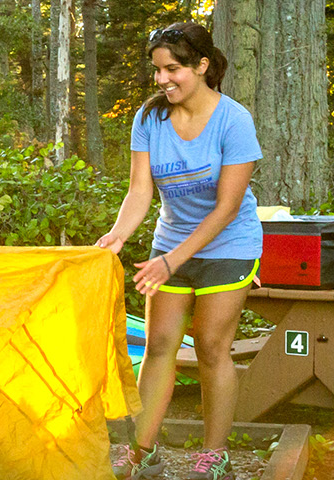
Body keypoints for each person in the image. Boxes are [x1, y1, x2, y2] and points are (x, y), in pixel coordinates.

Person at [98, 22, 263, 480]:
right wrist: (118, 235)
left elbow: (228, 207)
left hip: (229, 243)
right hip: (171, 243)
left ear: (202, 66)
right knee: (159, 345)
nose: (163, 79)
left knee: (211, 347)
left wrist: (173, 260)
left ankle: (214, 454)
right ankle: (142, 450)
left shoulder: (234, 120)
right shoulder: (150, 118)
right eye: (157, 70)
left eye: (173, 69)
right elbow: (139, 192)